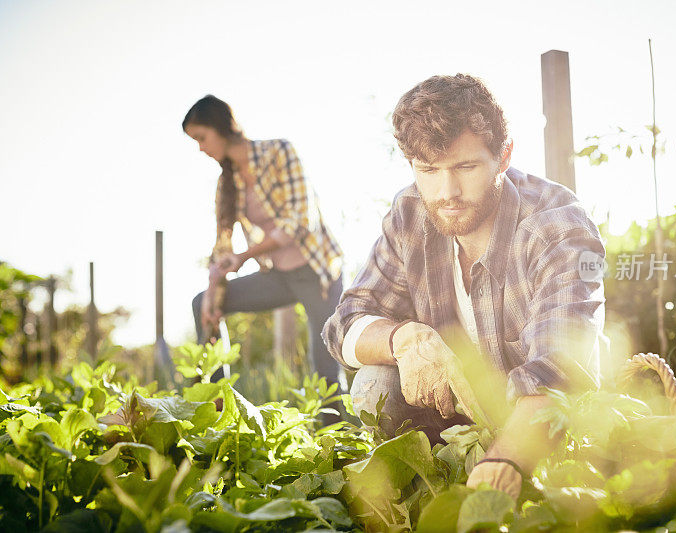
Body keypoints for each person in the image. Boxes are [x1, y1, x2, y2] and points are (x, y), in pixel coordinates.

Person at [322, 74, 608, 499]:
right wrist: (403, 338)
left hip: (548, 428)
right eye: (428, 170)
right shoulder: (410, 213)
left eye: (466, 167)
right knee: (374, 383)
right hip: (455, 431)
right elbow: (343, 324)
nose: (446, 192)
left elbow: (558, 371)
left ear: (504, 155)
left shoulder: (557, 227)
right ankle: (423, 497)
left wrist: (503, 461)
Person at [183, 95, 345, 402]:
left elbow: (300, 221)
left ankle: (336, 445)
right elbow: (222, 247)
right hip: (279, 277)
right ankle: (217, 409)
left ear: (222, 127)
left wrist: (245, 256)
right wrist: (212, 290)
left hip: (317, 272)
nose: (201, 148)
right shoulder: (226, 182)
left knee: (324, 368)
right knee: (199, 304)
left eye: (202, 138)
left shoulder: (278, 151)